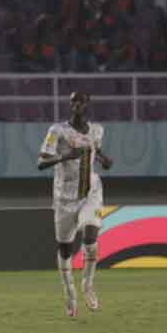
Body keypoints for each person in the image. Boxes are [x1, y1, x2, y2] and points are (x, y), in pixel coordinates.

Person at [38, 92, 114, 317]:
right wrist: (66, 156)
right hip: (64, 198)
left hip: (90, 191)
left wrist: (104, 160)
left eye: (80, 101)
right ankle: (69, 293)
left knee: (90, 237)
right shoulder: (57, 131)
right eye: (73, 101)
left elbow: (95, 151)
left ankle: (87, 286)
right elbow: (41, 162)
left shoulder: (97, 130)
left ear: (87, 105)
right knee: (65, 249)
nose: (76, 105)